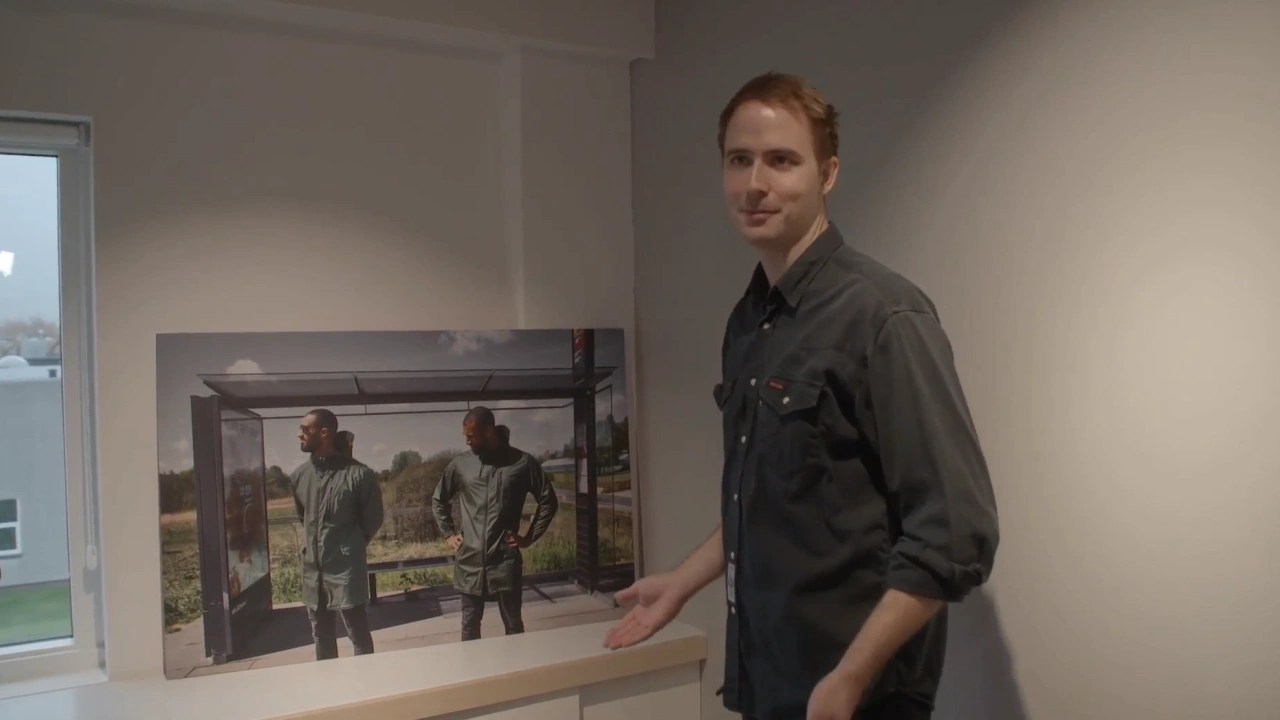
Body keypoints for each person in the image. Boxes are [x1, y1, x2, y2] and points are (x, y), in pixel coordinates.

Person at [603, 71, 1001, 720]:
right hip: (770, 681)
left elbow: (955, 534)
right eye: (739, 160)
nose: (754, 184)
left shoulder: (883, 316)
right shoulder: (749, 321)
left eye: (781, 160)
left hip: (857, 700)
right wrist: (682, 582)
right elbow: (766, 498)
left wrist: (849, 677)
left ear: (828, 173)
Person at [432, 407, 558, 641]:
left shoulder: (522, 463)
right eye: (465, 436)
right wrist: (448, 533)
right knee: (469, 628)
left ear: (489, 431)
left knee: (513, 628)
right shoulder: (461, 465)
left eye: (471, 435)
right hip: (469, 563)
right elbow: (439, 499)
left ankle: (515, 666)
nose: (467, 441)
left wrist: (528, 537)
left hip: (504, 563)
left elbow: (548, 501)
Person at [291, 408, 384, 661]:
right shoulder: (299, 476)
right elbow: (303, 517)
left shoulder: (359, 475)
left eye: (305, 429)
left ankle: (366, 682)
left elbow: (373, 519)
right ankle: (327, 683)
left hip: (346, 569)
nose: (299, 434)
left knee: (358, 633)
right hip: (313, 570)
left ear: (324, 433)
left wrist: (349, 546)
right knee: (320, 634)